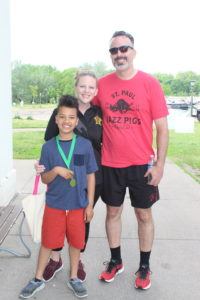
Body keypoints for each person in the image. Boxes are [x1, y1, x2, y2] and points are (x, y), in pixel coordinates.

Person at [93, 31, 169, 290]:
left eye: (124, 49)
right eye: (114, 50)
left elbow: (162, 128)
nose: (119, 54)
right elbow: (83, 111)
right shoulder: (101, 85)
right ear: (110, 55)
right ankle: (115, 260)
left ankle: (144, 266)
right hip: (110, 163)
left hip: (141, 165)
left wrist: (159, 165)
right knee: (112, 212)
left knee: (143, 214)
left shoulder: (150, 83)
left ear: (133, 51)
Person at [19, 95, 98, 299]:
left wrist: (89, 205)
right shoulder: (48, 147)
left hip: (77, 205)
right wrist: (55, 170)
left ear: (76, 121)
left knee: (75, 243)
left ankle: (74, 277)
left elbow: (90, 176)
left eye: (71, 117)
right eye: (62, 116)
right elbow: (45, 179)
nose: (66, 121)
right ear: (56, 119)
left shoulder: (84, 145)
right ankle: (37, 278)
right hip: (54, 205)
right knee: (48, 242)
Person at [35, 70, 102, 283]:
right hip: (60, 181)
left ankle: (77, 261)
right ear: (76, 87)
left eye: (91, 87)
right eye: (82, 86)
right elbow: (49, 144)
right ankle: (55, 259)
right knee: (56, 223)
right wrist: (43, 168)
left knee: (82, 221)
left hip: (90, 175)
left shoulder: (99, 114)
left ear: (96, 90)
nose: (86, 90)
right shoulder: (63, 111)